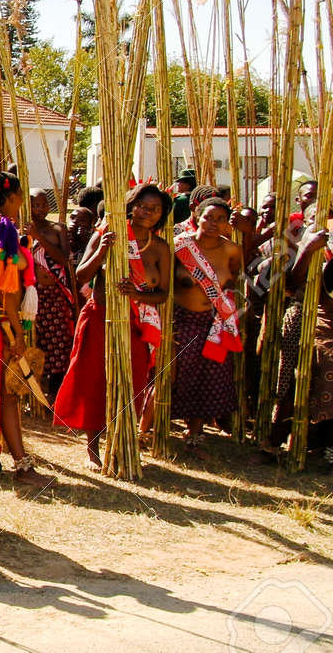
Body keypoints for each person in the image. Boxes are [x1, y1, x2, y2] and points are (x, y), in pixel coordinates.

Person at [55, 183, 171, 469]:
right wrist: (103, 251)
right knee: (94, 379)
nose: (147, 213)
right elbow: (81, 275)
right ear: (132, 205)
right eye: (143, 206)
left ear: (162, 214)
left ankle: (121, 442)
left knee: (132, 380)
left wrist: (137, 294)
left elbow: (164, 294)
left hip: (136, 323)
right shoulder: (108, 233)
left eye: (155, 209)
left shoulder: (159, 247)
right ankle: (92, 447)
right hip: (100, 316)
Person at [273, 177, 333, 465]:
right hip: (320, 320)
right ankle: (293, 443)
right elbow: (291, 284)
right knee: (304, 383)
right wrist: (307, 251)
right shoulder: (319, 235)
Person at [0, 172, 54, 488]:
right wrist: (18, 334)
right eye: (22, 194)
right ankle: (21, 463)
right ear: (12, 198)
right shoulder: (4, 227)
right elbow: (5, 285)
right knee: (7, 394)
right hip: (0, 325)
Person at [171, 196, 243, 449]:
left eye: (220, 219)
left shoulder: (232, 250)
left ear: (227, 224)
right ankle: (155, 427)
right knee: (179, 374)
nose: (213, 223)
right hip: (182, 320)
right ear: (197, 217)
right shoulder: (180, 246)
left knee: (209, 375)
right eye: (209, 217)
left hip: (214, 322)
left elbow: (234, 279)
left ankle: (196, 431)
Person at [28, 189, 76, 397]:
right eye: (35, 205)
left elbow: (63, 260)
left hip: (54, 294)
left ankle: (56, 393)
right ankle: (36, 391)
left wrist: (38, 237)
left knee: (58, 342)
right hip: (32, 295)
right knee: (35, 340)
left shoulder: (58, 228)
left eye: (43, 204)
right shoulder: (21, 230)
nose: (40, 209)